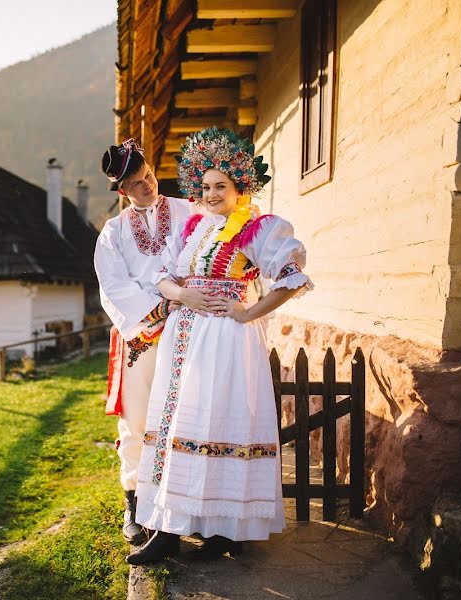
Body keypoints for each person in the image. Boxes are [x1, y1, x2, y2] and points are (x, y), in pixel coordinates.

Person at [128, 127, 314, 564]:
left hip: (224, 340)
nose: (212, 194)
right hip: (184, 337)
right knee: (177, 428)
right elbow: (163, 275)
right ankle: (170, 527)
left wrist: (249, 312)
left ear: (239, 186)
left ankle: (222, 530)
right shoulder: (195, 227)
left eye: (221, 186)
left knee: (214, 427)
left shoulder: (255, 227)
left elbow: (291, 276)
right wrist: (181, 295)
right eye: (206, 186)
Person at [94, 139, 215, 548]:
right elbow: (112, 286)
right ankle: (135, 503)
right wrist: (156, 311)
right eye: (136, 183)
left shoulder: (188, 210)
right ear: (121, 191)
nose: (146, 186)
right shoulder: (113, 232)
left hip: (190, 328)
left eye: (147, 176)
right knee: (138, 420)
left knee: (189, 413)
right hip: (142, 335)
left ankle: (188, 507)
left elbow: (210, 255)